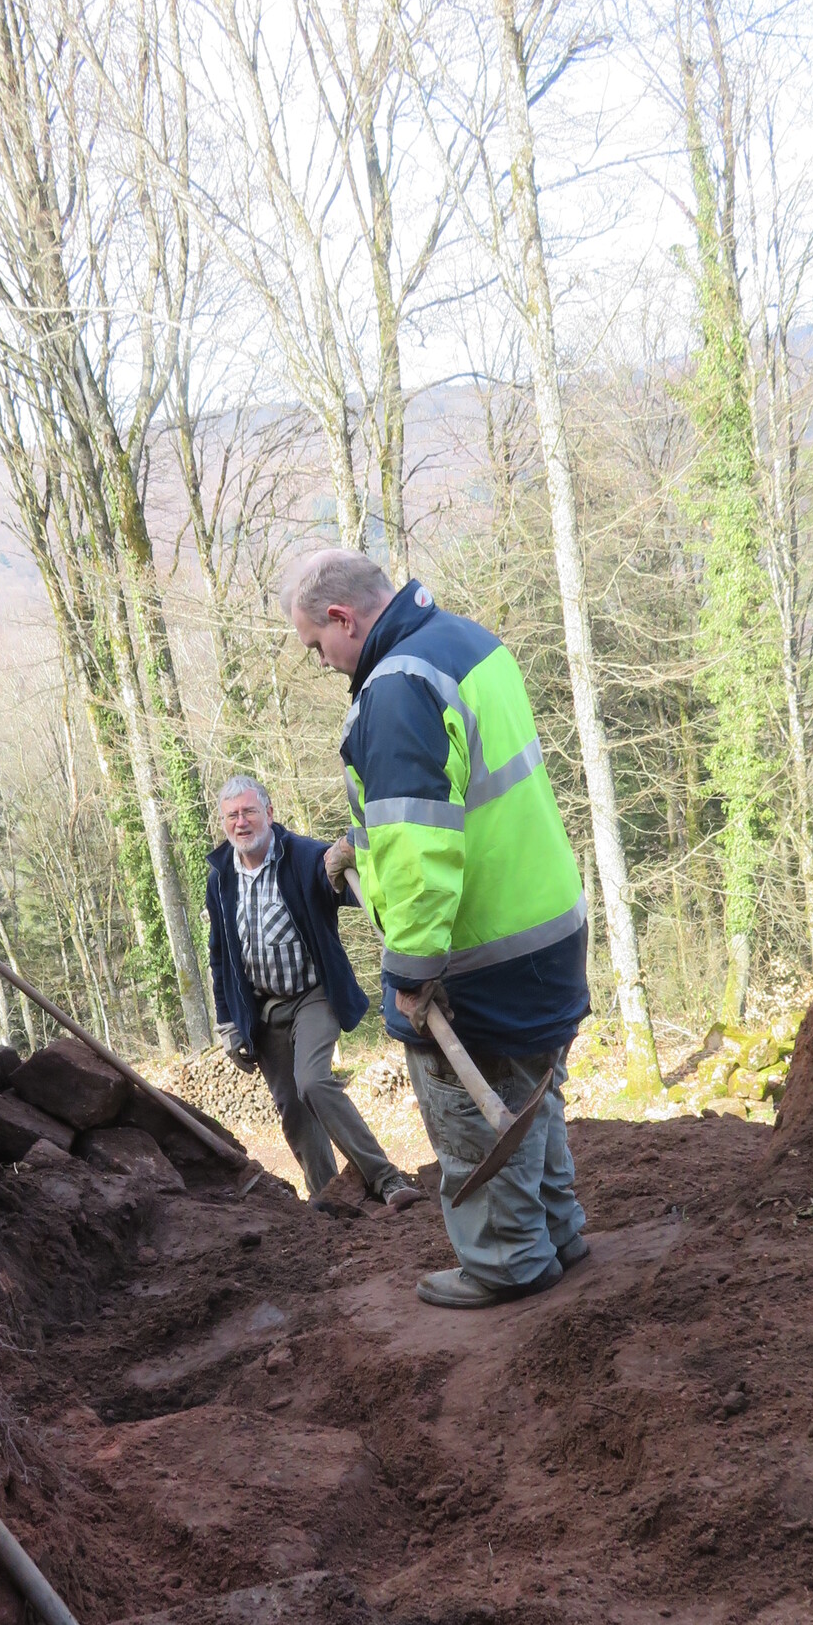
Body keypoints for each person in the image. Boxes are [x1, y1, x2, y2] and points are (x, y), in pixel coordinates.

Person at [282, 550, 589, 1308]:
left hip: (478, 951)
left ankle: (508, 1261)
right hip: (545, 924)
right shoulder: (466, 643)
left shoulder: (395, 689)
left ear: (343, 618)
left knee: (468, 1110)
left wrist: (413, 971)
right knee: (528, 1095)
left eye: (317, 645)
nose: (322, 662)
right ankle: (558, 1231)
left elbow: (422, 852)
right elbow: (459, 798)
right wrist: (358, 848)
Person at [205, 774, 422, 1212]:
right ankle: (329, 1198)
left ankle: (386, 1179)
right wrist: (228, 1021)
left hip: (313, 994)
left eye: (249, 812)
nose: (241, 822)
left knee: (313, 1081)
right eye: (232, 816)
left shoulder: (303, 856)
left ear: (269, 813)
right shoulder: (220, 877)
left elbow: (346, 888)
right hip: (262, 1009)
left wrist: (350, 860)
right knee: (292, 1109)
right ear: (223, 823)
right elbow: (220, 954)